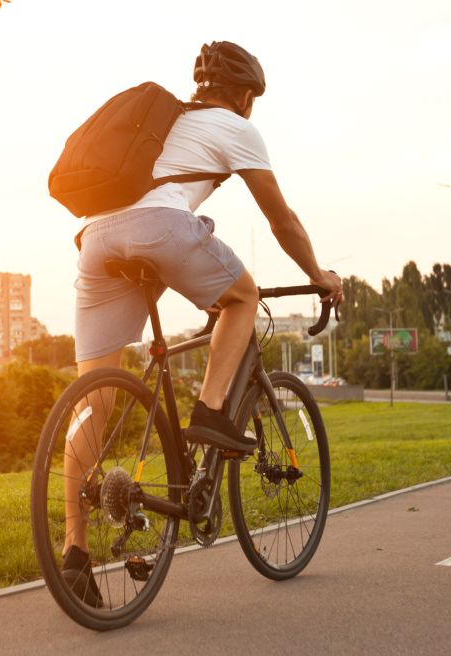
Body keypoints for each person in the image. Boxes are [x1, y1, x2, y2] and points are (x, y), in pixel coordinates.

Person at [61, 40, 343, 604]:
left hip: (95, 239)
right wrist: (319, 274)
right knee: (243, 298)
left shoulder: (168, 124)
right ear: (245, 97)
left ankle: (74, 555)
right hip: (158, 227)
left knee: (93, 403)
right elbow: (281, 219)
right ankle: (212, 414)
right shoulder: (235, 126)